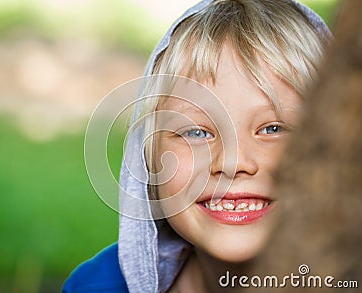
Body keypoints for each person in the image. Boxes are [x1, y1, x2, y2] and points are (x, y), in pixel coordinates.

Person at [63, 0, 331, 292]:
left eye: (273, 129)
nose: (232, 162)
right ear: (147, 157)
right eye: (197, 132)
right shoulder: (94, 286)